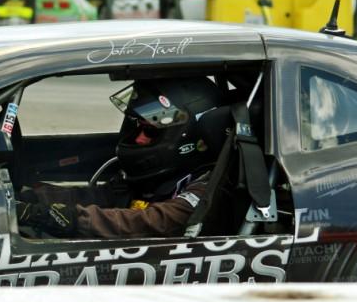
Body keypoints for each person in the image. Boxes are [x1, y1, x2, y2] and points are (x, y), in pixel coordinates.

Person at [17, 77, 232, 239]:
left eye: (150, 131)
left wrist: (73, 219)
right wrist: (31, 196)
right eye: (137, 128)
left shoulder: (208, 185)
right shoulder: (152, 179)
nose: (138, 139)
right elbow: (100, 197)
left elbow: (152, 222)